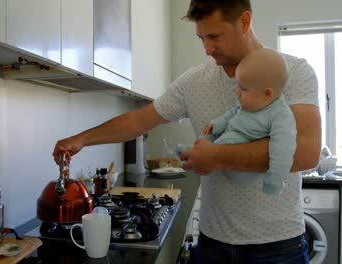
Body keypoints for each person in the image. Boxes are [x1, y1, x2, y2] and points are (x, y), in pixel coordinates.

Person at [53, 0, 321, 263]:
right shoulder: (194, 81)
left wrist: (218, 156)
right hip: (213, 244)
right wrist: (81, 140)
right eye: (201, 38)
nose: (207, 49)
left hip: (278, 246)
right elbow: (139, 121)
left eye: (215, 36)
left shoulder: (292, 72)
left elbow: (305, 152)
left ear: (245, 21)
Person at [201, 48, 295, 195]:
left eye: (243, 89)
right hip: (229, 138)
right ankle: (193, 152)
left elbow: (283, 150)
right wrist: (216, 124)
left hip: (244, 169)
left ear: (267, 93)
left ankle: (198, 155)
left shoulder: (280, 115)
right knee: (206, 137)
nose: (237, 92)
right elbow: (232, 113)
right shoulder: (251, 102)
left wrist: (274, 180)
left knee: (222, 143)